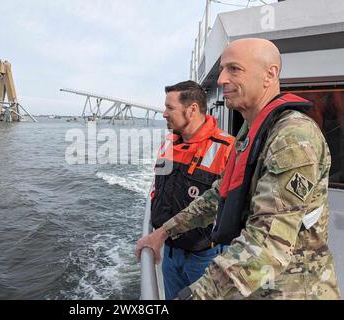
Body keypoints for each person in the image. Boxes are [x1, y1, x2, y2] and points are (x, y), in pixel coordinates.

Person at [136, 38, 342, 299]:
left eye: (234, 69)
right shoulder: (249, 135)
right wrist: (164, 232)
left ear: (270, 74)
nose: (221, 79)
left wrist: (194, 295)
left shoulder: (292, 138)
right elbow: (216, 196)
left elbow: (268, 242)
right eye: (222, 69)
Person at [151, 81, 234, 299]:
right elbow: (157, 188)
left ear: (192, 109)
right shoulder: (168, 142)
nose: (164, 114)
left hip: (205, 258)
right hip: (169, 253)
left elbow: (229, 206)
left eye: (170, 108)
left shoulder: (226, 149)